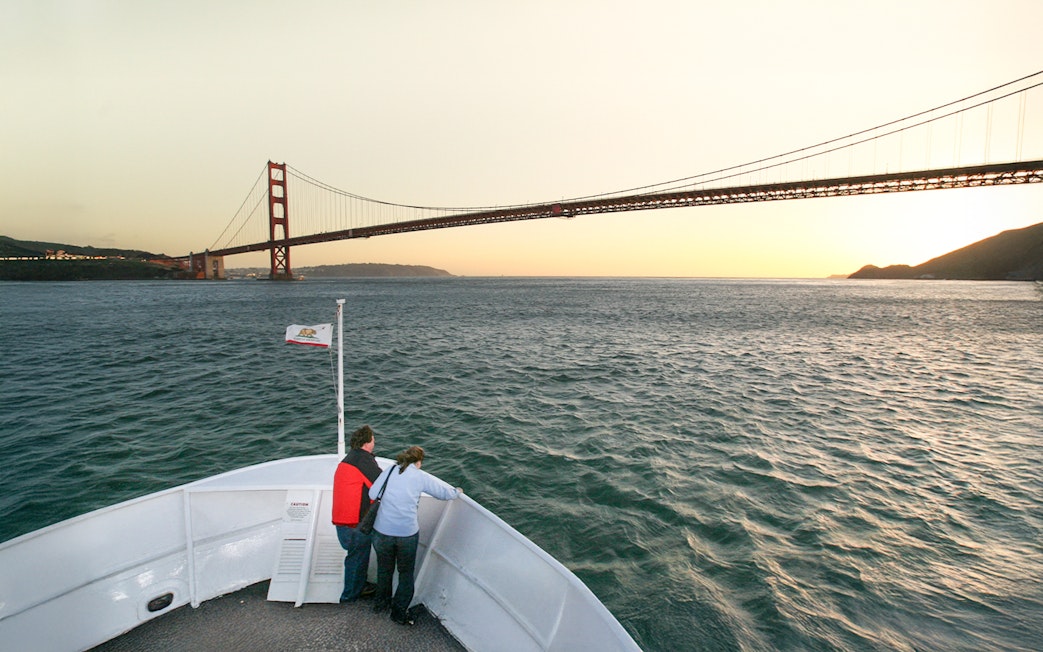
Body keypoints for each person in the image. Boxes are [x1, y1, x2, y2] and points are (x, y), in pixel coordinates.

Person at [369, 445, 462, 625]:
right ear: (419, 462)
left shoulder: (390, 471)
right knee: (405, 574)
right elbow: (443, 493)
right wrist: (456, 492)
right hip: (406, 534)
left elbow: (372, 493)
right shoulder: (420, 477)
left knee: (384, 569)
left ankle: (380, 604)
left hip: (382, 532)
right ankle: (398, 613)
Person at [331, 425, 382, 603]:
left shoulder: (349, 459)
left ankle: (358, 586)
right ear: (368, 442)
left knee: (356, 555)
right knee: (357, 557)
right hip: (355, 523)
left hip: (341, 521)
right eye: (373, 439)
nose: (374, 442)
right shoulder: (363, 460)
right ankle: (350, 596)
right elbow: (382, 484)